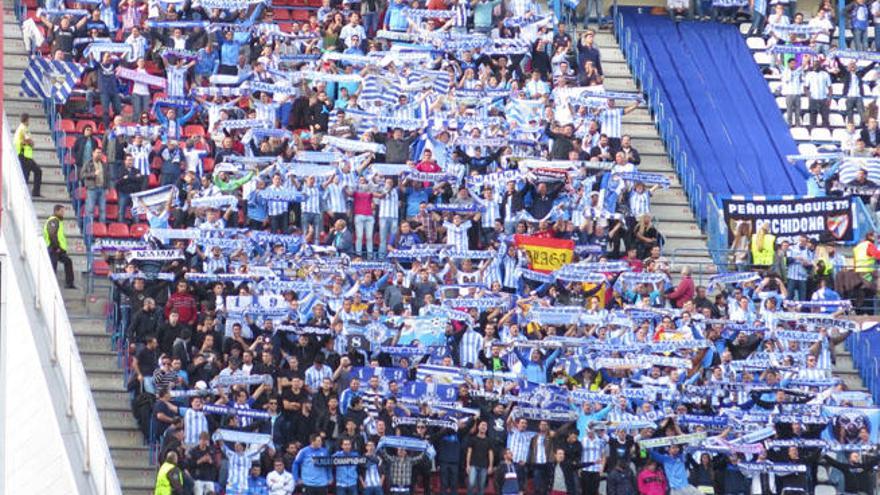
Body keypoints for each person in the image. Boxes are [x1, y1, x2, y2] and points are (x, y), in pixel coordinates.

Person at [44, 204, 75, 289]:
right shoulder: (53, 221)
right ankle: (51, 285)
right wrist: (56, 247)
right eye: (61, 211)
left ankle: (69, 283)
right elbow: (52, 234)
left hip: (58, 249)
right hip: (53, 248)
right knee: (53, 267)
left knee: (68, 261)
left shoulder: (58, 221)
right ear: (56, 211)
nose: (63, 213)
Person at [13, 113, 41, 196]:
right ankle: (24, 194)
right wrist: (32, 143)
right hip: (24, 155)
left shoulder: (20, 128)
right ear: (27, 120)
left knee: (36, 171)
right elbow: (28, 140)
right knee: (27, 175)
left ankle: (34, 192)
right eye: (29, 120)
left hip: (25, 155)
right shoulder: (24, 128)